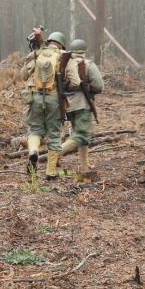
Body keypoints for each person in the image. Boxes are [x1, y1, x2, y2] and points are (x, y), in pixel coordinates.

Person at [19, 31, 81, 180]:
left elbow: (23, 76)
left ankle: (33, 151)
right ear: (61, 44)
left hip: (34, 97)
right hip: (54, 99)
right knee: (54, 134)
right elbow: (76, 82)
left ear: (49, 41)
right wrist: (65, 88)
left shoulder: (36, 53)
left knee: (35, 130)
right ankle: (50, 173)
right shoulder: (65, 56)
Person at [58, 39, 104, 177]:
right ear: (84, 51)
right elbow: (99, 86)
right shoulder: (88, 64)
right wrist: (90, 89)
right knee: (83, 134)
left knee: (80, 134)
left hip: (68, 103)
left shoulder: (64, 64)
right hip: (82, 104)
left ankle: (85, 165)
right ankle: (55, 154)